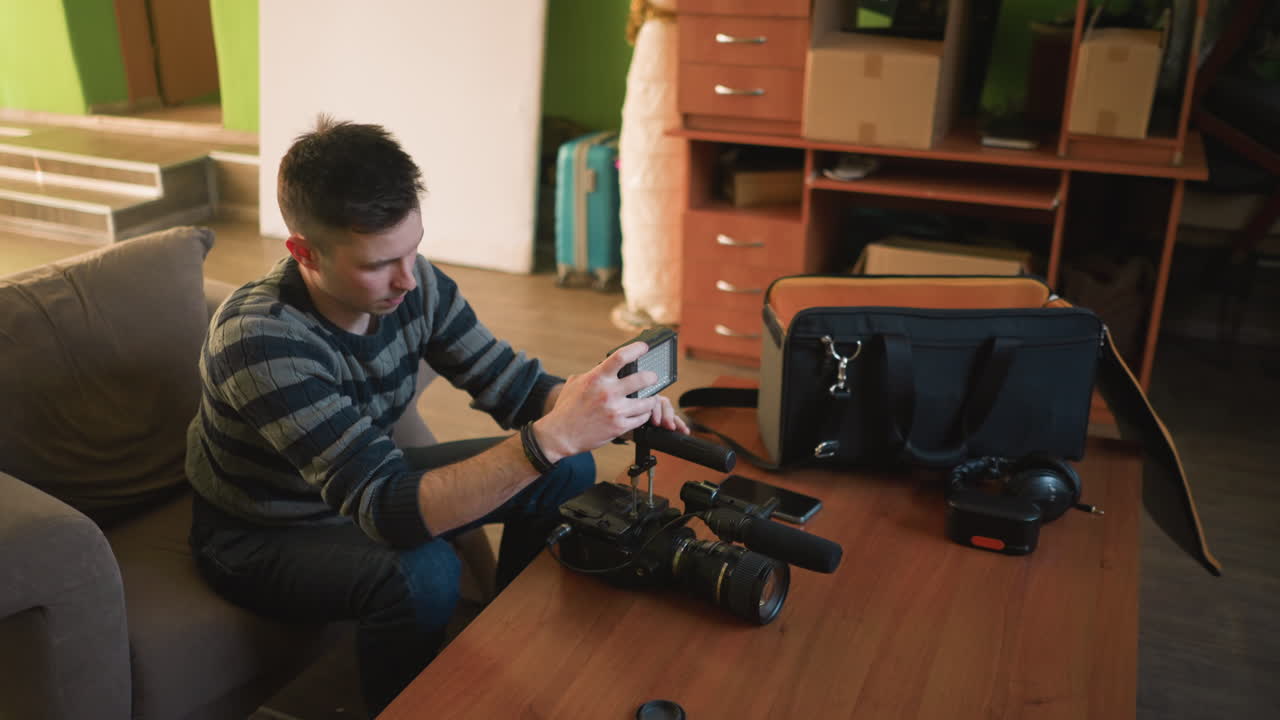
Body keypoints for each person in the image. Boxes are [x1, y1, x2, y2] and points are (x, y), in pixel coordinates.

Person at [186, 116, 689, 714]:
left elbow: (515, 386)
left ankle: (511, 638)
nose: (407, 278)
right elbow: (388, 510)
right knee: (424, 573)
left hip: (361, 481)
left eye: (414, 248)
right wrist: (549, 438)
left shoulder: (414, 282)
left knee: (571, 470)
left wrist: (597, 400)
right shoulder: (260, 340)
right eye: (378, 263)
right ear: (303, 252)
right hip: (259, 534)